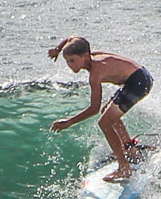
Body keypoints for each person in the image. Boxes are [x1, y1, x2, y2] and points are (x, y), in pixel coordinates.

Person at [48, 37, 153, 182]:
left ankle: (124, 168)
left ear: (85, 56)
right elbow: (72, 38)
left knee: (104, 122)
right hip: (139, 77)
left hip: (138, 82)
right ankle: (130, 150)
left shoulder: (96, 73)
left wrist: (69, 122)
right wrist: (58, 50)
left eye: (72, 60)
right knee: (107, 113)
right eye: (67, 61)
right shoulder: (92, 57)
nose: (69, 65)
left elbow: (93, 109)